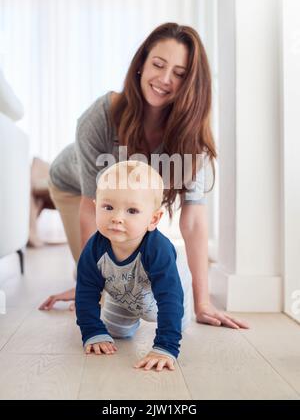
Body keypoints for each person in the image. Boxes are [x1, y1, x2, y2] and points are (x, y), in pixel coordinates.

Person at [39, 22, 248, 330]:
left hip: (117, 201)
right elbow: (90, 205)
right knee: (102, 270)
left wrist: (202, 301)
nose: (164, 79)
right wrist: (89, 287)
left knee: (132, 264)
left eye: (178, 73)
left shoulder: (193, 139)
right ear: (141, 65)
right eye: (158, 65)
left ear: (191, 82)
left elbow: (193, 219)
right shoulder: (101, 116)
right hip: (73, 189)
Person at [76, 160, 188, 371]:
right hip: (123, 294)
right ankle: (121, 321)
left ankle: (171, 330)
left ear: (153, 219)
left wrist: (166, 347)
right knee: (115, 332)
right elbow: (85, 292)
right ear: (95, 207)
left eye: (132, 211)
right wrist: (91, 331)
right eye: (108, 207)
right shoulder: (93, 250)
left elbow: (170, 298)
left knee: (178, 321)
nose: (117, 218)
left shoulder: (158, 250)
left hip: (163, 293)